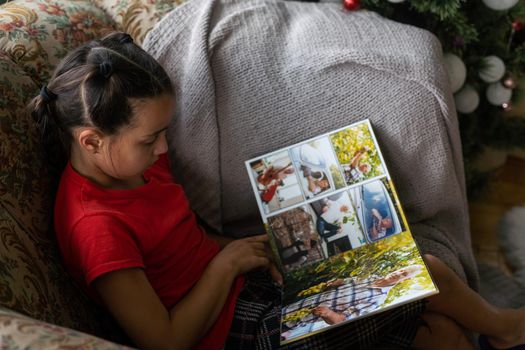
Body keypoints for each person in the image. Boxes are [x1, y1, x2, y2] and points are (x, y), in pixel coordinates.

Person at [30, 32, 525, 350]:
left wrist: (254, 250)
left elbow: (184, 241)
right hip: (238, 338)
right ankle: (507, 328)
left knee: (441, 334)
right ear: (91, 141)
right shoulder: (94, 225)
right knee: (427, 274)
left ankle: (498, 332)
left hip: (252, 292)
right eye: (150, 139)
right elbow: (164, 341)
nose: (164, 149)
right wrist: (225, 265)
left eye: (163, 133)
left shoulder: (130, 164)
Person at [283, 265, 424, 331]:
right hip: (294, 306)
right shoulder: (370, 277)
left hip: (296, 321)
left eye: (404, 275)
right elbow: (344, 281)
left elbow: (342, 320)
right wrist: (334, 282)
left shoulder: (377, 300)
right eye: (401, 270)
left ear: (403, 281)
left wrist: (328, 313)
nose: (398, 274)